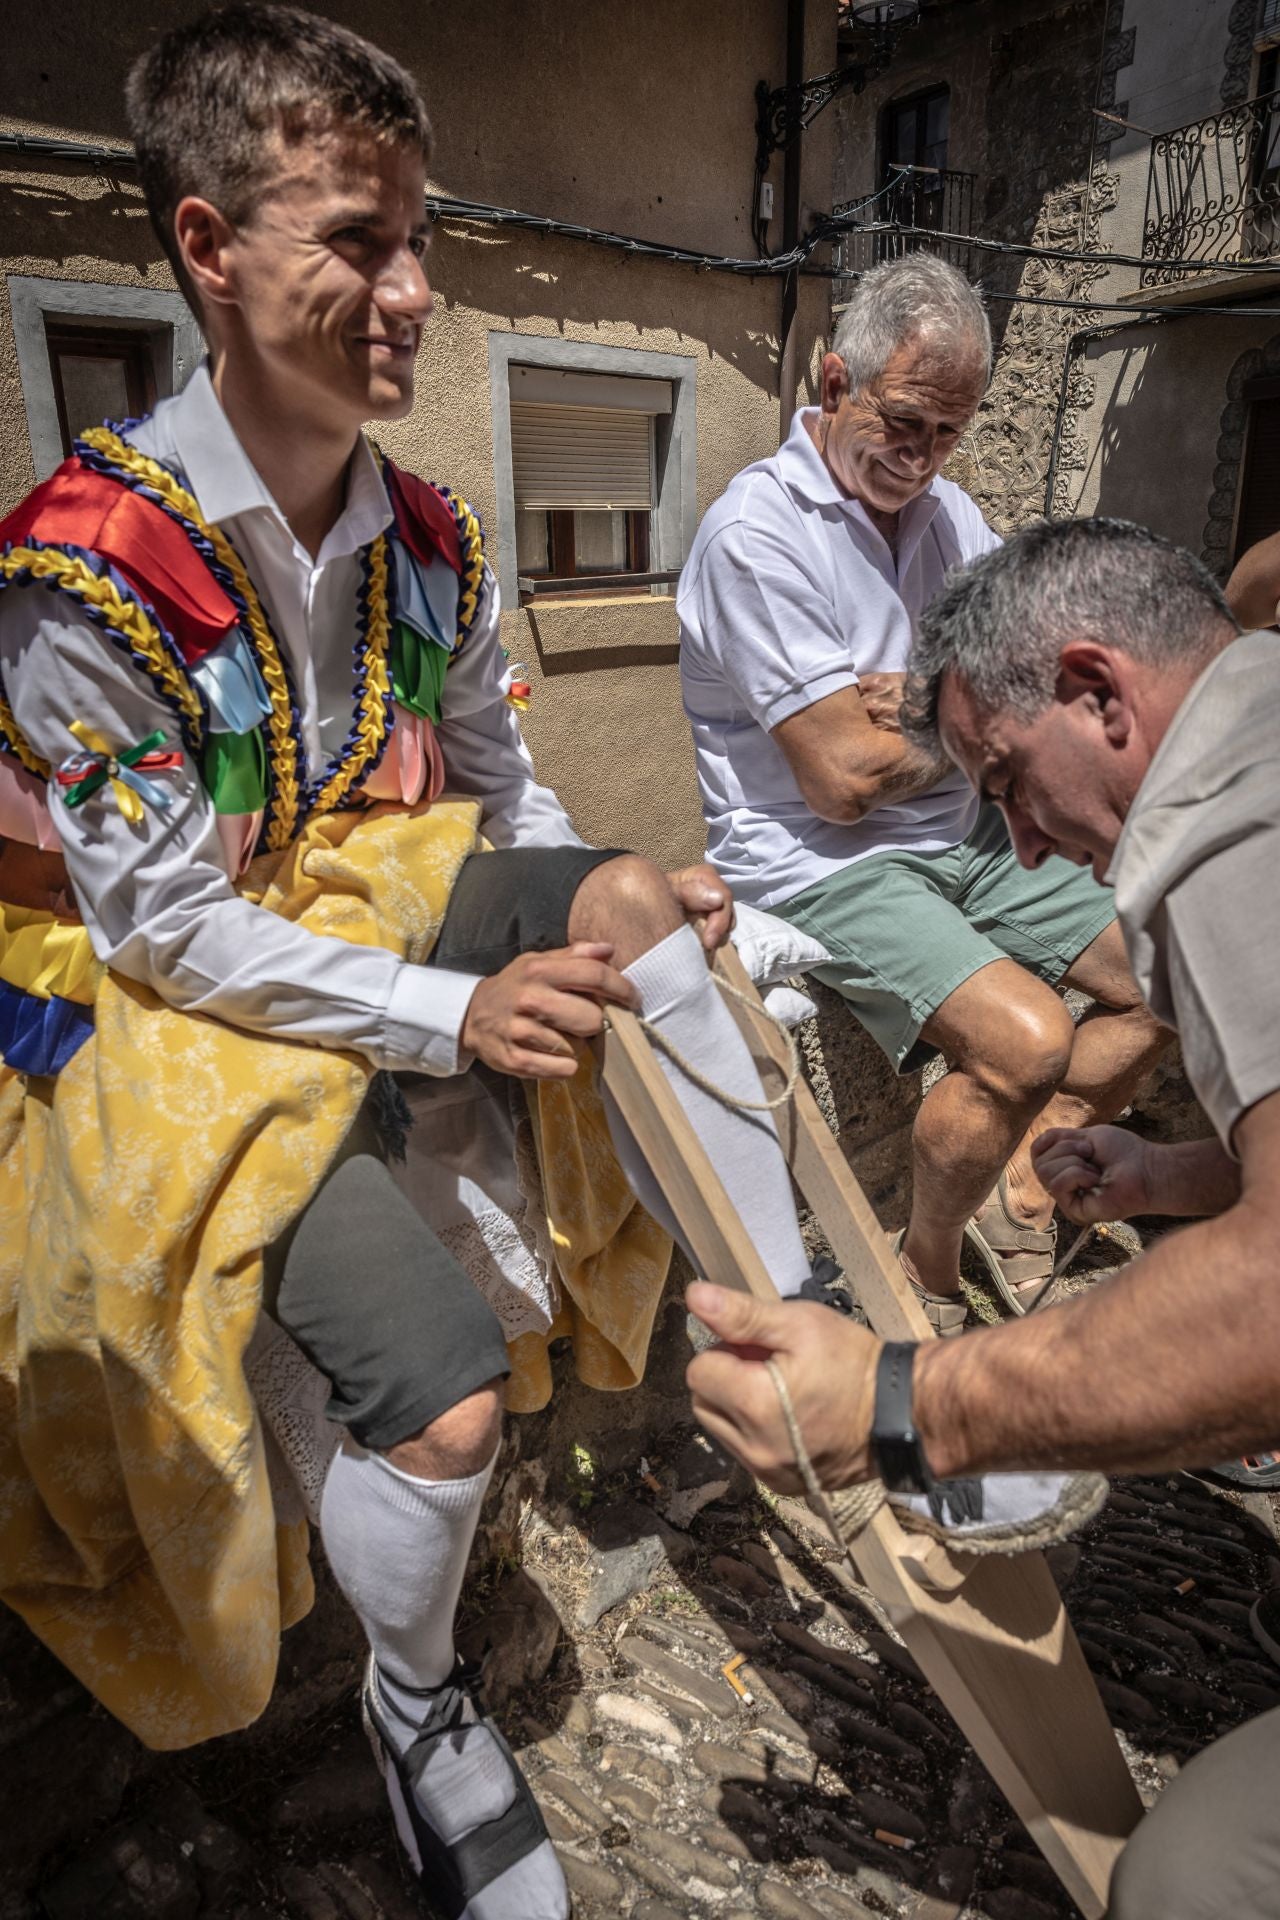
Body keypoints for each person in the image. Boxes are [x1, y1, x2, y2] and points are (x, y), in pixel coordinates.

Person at [0, 10, 823, 1916]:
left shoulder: (428, 535)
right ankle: (420, 1701)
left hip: (350, 927)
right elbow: (166, 929)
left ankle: (796, 1338)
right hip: (163, 1010)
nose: (416, 289)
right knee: (446, 1399)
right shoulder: (80, 567)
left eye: (418, 237)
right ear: (208, 249)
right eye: (359, 240)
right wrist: (459, 1010)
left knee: (624, 891)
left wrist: (619, 891)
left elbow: (510, 800)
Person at [684, 516, 1280, 1920]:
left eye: (1006, 780)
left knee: (1182, 1886)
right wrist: (1176, 1178)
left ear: (1097, 688)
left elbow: (1266, 1309)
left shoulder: (1227, 827)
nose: (1017, 837)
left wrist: (901, 1406)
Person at [677, 258, 1167, 1332]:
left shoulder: (949, 517)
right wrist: (968, 714)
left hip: (961, 833)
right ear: (833, 377)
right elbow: (843, 781)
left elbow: (1040, 679)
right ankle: (926, 1263)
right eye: (902, 421)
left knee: (1166, 970)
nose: (920, 456)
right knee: (1027, 1040)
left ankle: (1025, 1190)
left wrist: (926, 711)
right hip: (820, 861)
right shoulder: (757, 536)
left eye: (947, 433)